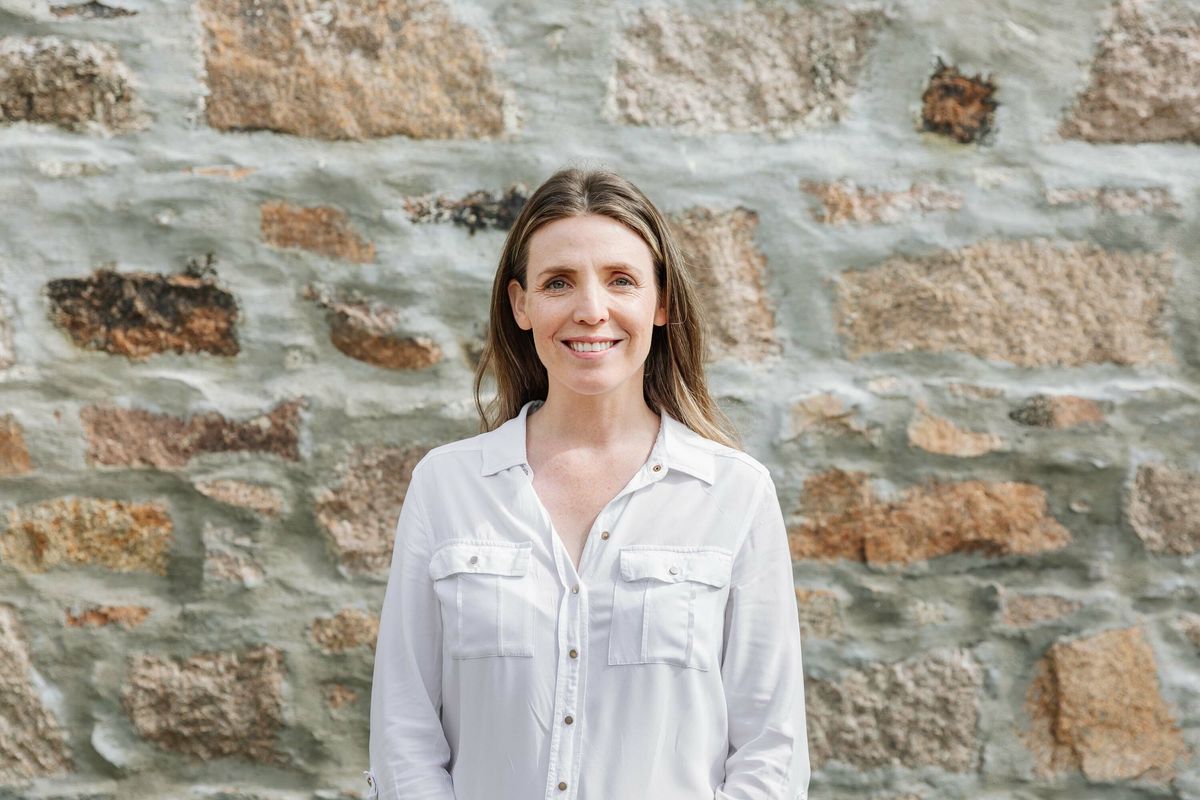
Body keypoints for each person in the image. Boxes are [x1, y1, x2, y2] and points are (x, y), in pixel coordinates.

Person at [365, 166, 809, 800]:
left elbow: (772, 749)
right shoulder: (447, 485)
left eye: (621, 280)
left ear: (661, 304)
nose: (591, 310)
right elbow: (404, 731)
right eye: (558, 283)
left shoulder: (734, 494)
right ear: (521, 304)